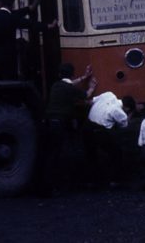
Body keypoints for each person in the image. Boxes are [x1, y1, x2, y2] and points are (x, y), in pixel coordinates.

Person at [41, 62, 96, 194]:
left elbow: (70, 84)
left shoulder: (55, 86)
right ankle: (49, 187)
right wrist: (92, 87)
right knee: (57, 155)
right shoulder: (70, 89)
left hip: (48, 122)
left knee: (50, 154)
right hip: (59, 124)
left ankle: (46, 185)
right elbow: (86, 95)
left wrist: (83, 77)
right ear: (71, 74)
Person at [0, 0, 47, 79]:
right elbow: (28, 23)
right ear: (12, 4)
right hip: (8, 55)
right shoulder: (10, 17)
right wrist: (47, 26)